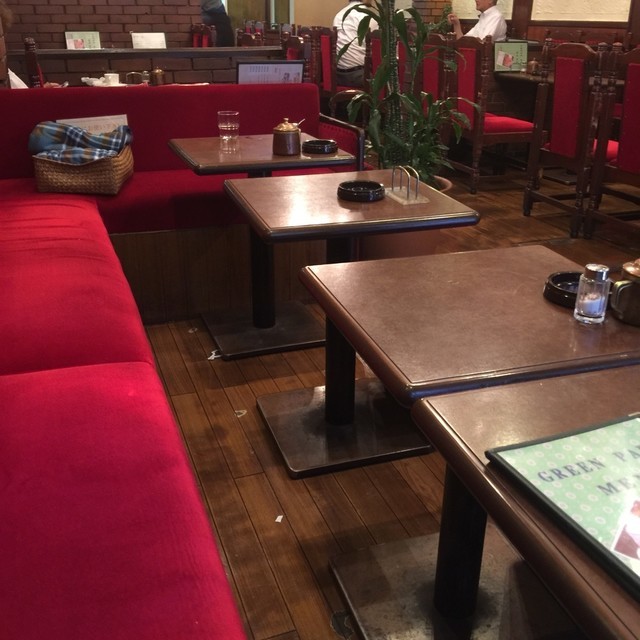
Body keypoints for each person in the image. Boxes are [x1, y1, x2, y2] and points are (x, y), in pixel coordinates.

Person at [333, 0, 378, 88]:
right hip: (359, 76)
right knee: (386, 82)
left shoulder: (339, 15)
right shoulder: (367, 16)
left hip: (338, 75)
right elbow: (377, 47)